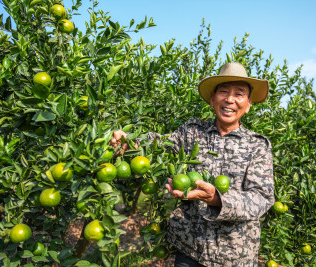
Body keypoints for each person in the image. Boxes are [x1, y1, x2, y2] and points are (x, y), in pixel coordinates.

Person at [112, 62, 274, 267]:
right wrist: (130, 140)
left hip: (235, 256)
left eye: (239, 94)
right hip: (189, 250)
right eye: (223, 92)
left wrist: (217, 199)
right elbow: (158, 144)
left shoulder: (257, 145)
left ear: (249, 104)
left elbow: (262, 199)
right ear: (212, 99)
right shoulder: (192, 132)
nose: (230, 99)